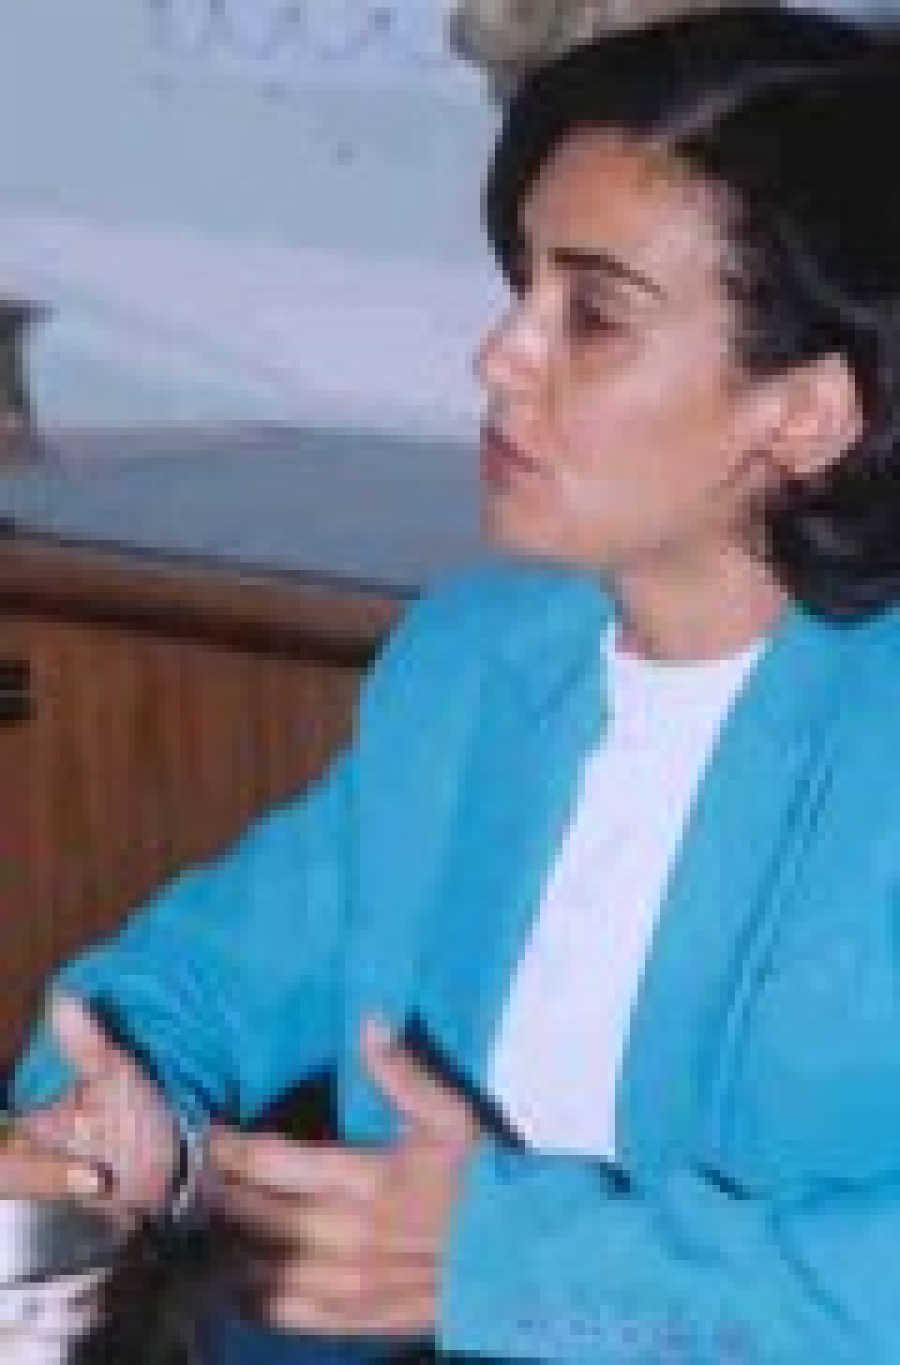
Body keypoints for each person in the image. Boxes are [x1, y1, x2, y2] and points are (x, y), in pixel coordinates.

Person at [4, 6, 900, 1361]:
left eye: (592, 316)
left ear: (806, 414)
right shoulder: (483, 660)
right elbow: (196, 979)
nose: (498, 357)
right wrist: (121, 1121)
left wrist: (508, 1259)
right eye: (519, 284)